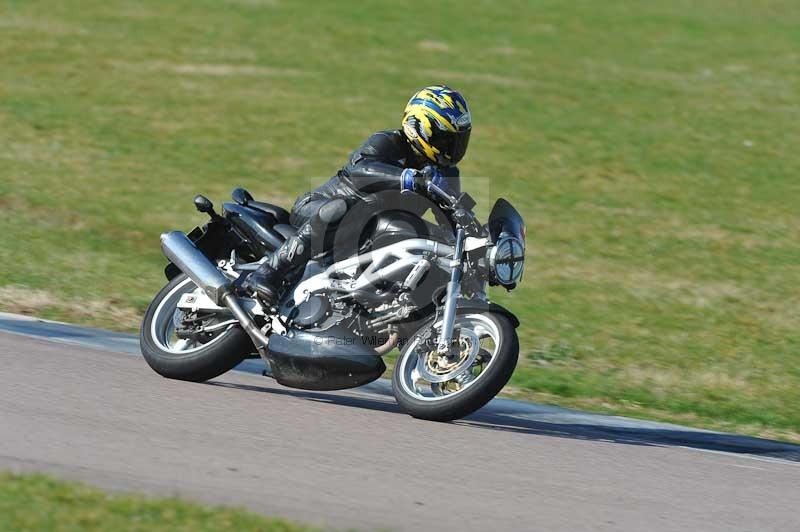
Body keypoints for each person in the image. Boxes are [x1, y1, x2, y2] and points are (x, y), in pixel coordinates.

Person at [243, 85, 472, 305]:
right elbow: (360, 170)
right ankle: (270, 271)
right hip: (318, 208)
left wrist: (477, 240)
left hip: (365, 236)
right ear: (420, 127)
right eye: (446, 139)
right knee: (342, 208)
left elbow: (452, 217)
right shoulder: (389, 142)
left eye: (458, 140)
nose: (453, 147)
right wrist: (409, 178)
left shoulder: (446, 173)